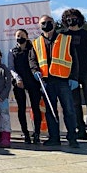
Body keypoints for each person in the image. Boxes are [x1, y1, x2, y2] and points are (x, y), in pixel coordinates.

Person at [29, 15, 79, 148]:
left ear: (54, 24)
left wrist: (74, 77)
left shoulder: (65, 39)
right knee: (50, 112)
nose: (46, 25)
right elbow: (32, 60)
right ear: (40, 26)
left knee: (69, 110)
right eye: (43, 23)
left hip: (63, 81)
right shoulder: (36, 42)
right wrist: (35, 71)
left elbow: (74, 59)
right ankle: (54, 138)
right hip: (46, 82)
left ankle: (72, 138)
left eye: (48, 22)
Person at [61, 8, 87, 140]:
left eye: (73, 17)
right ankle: (81, 129)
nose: (71, 19)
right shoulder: (63, 35)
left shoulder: (86, 34)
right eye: (68, 18)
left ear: (79, 18)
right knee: (75, 103)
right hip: (71, 74)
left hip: (86, 72)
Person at [8, 29, 42, 144]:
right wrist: (17, 78)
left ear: (27, 37)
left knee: (35, 108)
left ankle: (37, 133)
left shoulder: (33, 49)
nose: (20, 37)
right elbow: (11, 67)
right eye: (18, 36)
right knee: (21, 108)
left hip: (33, 82)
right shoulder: (12, 51)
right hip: (19, 83)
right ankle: (26, 133)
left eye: (22, 35)